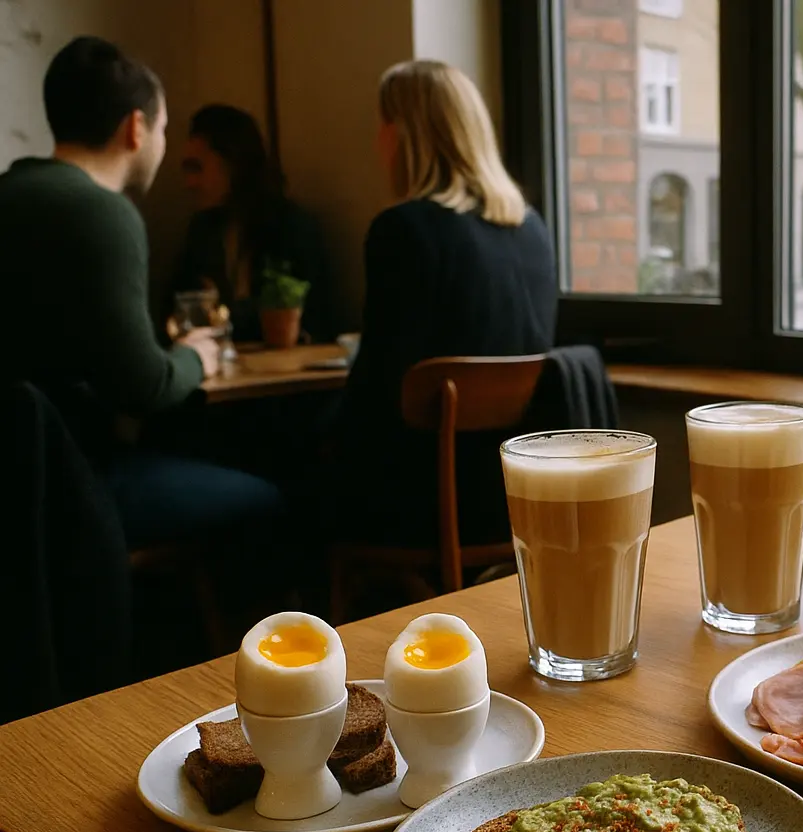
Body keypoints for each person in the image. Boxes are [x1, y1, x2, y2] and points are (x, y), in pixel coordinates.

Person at [0, 37, 284, 551]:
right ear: (135, 128)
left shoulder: (11, 192)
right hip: (73, 480)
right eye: (163, 128)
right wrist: (196, 356)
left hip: (15, 477)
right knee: (269, 501)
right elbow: (144, 387)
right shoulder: (103, 213)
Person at [329, 59, 556, 546]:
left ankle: (310, 619)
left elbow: (376, 392)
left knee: (279, 454)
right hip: (513, 490)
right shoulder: (532, 228)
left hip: (422, 497)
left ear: (401, 134)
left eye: (382, 125)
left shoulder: (402, 229)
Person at [170, 104, 336, 344]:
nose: (189, 183)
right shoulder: (202, 231)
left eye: (197, 168)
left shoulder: (290, 228)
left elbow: (308, 322)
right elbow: (178, 311)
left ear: (233, 163)